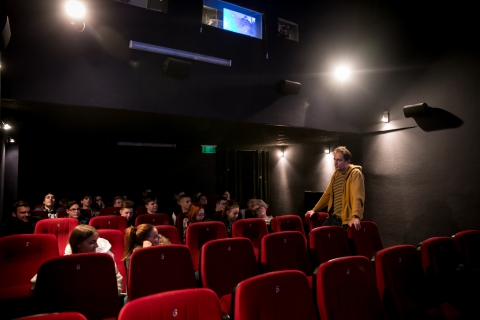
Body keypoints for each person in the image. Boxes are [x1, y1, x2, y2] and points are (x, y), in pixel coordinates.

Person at [31, 225, 124, 297]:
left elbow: (117, 281)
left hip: (99, 303)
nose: (96, 246)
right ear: (78, 244)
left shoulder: (104, 261)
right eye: (92, 242)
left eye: (96, 241)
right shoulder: (64, 263)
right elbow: (36, 282)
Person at [305, 146, 364, 231]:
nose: (335, 163)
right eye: (335, 159)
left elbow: (357, 196)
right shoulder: (336, 174)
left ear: (347, 161)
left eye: (339, 160)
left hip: (345, 220)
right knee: (315, 236)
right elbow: (327, 194)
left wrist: (355, 216)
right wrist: (314, 210)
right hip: (333, 217)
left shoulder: (355, 174)